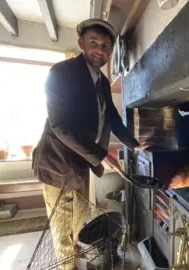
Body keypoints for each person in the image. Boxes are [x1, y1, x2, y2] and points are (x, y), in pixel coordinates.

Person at [32, 19, 146, 270]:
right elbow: (60, 126)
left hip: (82, 162)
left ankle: (74, 255)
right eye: (94, 43)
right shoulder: (61, 73)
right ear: (81, 43)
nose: (100, 50)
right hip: (58, 164)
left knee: (80, 218)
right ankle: (66, 266)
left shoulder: (102, 82)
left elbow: (113, 118)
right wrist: (102, 155)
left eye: (106, 46)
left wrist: (134, 144)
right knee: (62, 225)